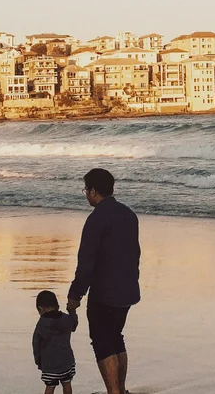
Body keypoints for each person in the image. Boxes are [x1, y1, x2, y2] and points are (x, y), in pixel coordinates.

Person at [66, 168, 140, 394]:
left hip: (105, 292)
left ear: (93, 191)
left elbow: (86, 261)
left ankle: (113, 392)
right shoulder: (129, 214)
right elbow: (135, 253)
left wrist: (75, 295)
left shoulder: (96, 219)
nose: (86, 194)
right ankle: (121, 389)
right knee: (116, 338)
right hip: (127, 288)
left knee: (102, 342)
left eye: (86, 190)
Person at [32, 289, 79, 393]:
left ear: (40, 309)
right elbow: (74, 326)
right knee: (67, 384)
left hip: (49, 364)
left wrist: (38, 360)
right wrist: (72, 311)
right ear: (57, 306)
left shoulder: (41, 324)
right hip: (67, 362)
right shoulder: (66, 319)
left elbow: (36, 344)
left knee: (50, 387)